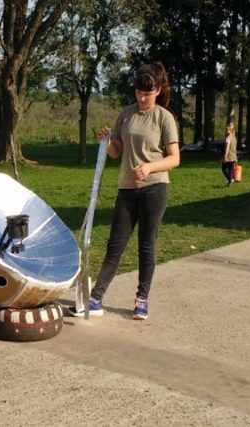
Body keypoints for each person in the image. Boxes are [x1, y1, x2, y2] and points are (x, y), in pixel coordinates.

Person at [69, 62, 180, 321]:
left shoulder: (164, 117)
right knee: (115, 246)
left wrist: (150, 167)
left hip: (155, 188)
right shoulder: (126, 114)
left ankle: (142, 299)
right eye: (139, 93)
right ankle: (95, 299)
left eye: (148, 94)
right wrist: (106, 141)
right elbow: (117, 151)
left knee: (146, 245)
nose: (142, 98)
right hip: (127, 190)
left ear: (158, 91)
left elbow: (174, 159)